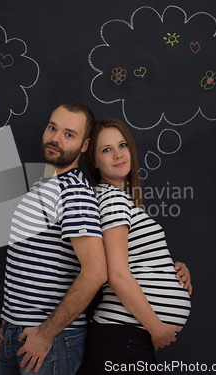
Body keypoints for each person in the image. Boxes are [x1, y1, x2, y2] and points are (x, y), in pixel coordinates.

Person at [0, 104, 191, 375]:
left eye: (69, 134)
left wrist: (170, 269)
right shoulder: (51, 188)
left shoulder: (77, 194)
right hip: (25, 333)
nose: (56, 139)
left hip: (50, 338)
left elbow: (101, 269)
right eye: (53, 128)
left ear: (84, 146)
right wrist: (10, 323)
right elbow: (24, 264)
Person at [79, 117, 192, 374]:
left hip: (125, 338)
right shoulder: (113, 199)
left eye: (122, 145)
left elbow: (132, 261)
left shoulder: (117, 200)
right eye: (107, 149)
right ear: (94, 162)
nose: (118, 155)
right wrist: (157, 329)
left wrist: (173, 270)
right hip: (124, 339)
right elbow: (117, 275)